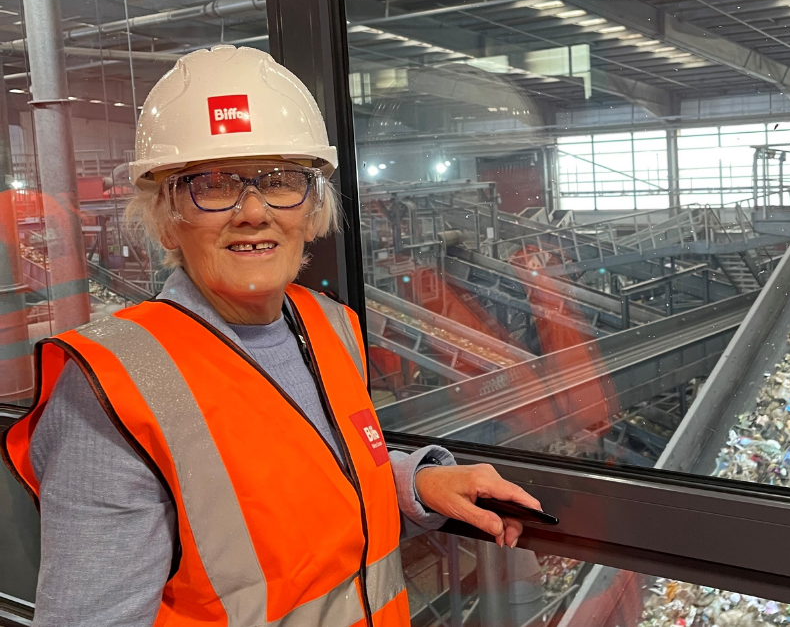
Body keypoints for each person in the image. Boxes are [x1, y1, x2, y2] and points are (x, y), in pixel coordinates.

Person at [1, 45, 542, 627]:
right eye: (211, 184)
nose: (253, 211)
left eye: (280, 181)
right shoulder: (113, 389)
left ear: (311, 210)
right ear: (166, 217)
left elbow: (307, 480)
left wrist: (415, 482)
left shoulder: (329, 325)